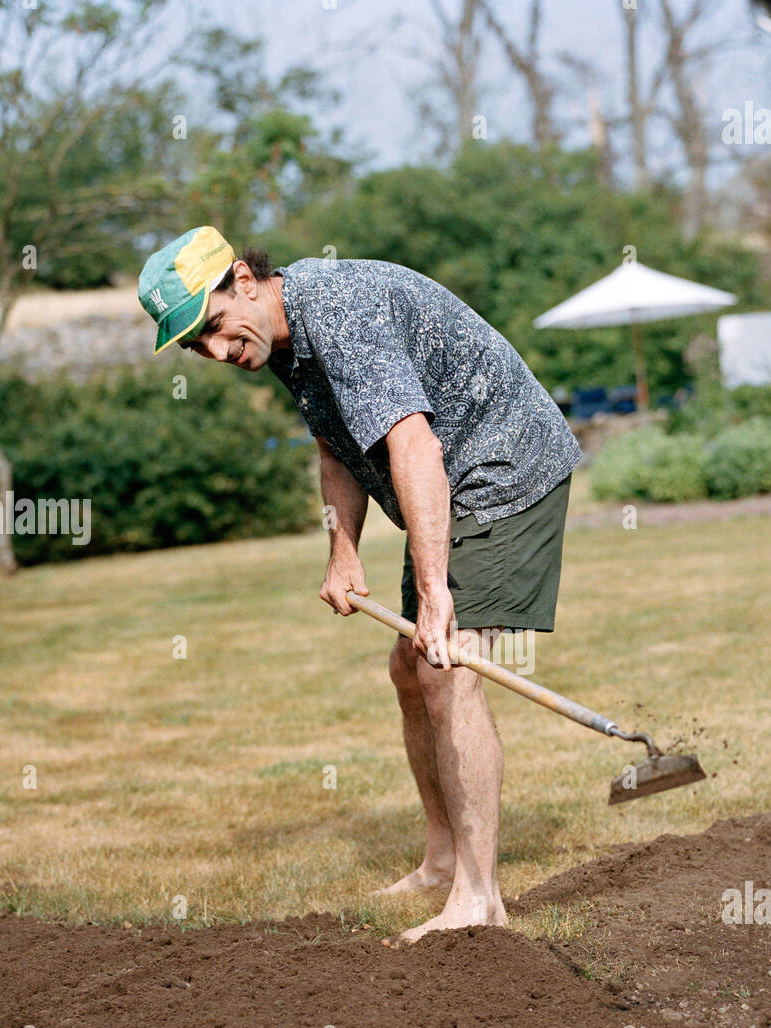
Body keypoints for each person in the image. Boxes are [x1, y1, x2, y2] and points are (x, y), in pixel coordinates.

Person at [138, 226, 580, 944]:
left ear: (245, 281)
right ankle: (443, 861)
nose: (218, 353)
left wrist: (436, 590)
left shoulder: (338, 311)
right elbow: (334, 441)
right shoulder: (282, 341)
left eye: (214, 328)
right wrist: (343, 550)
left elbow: (413, 441)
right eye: (197, 346)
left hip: (504, 468)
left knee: (448, 666)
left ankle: (479, 896)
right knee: (410, 669)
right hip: (449, 477)